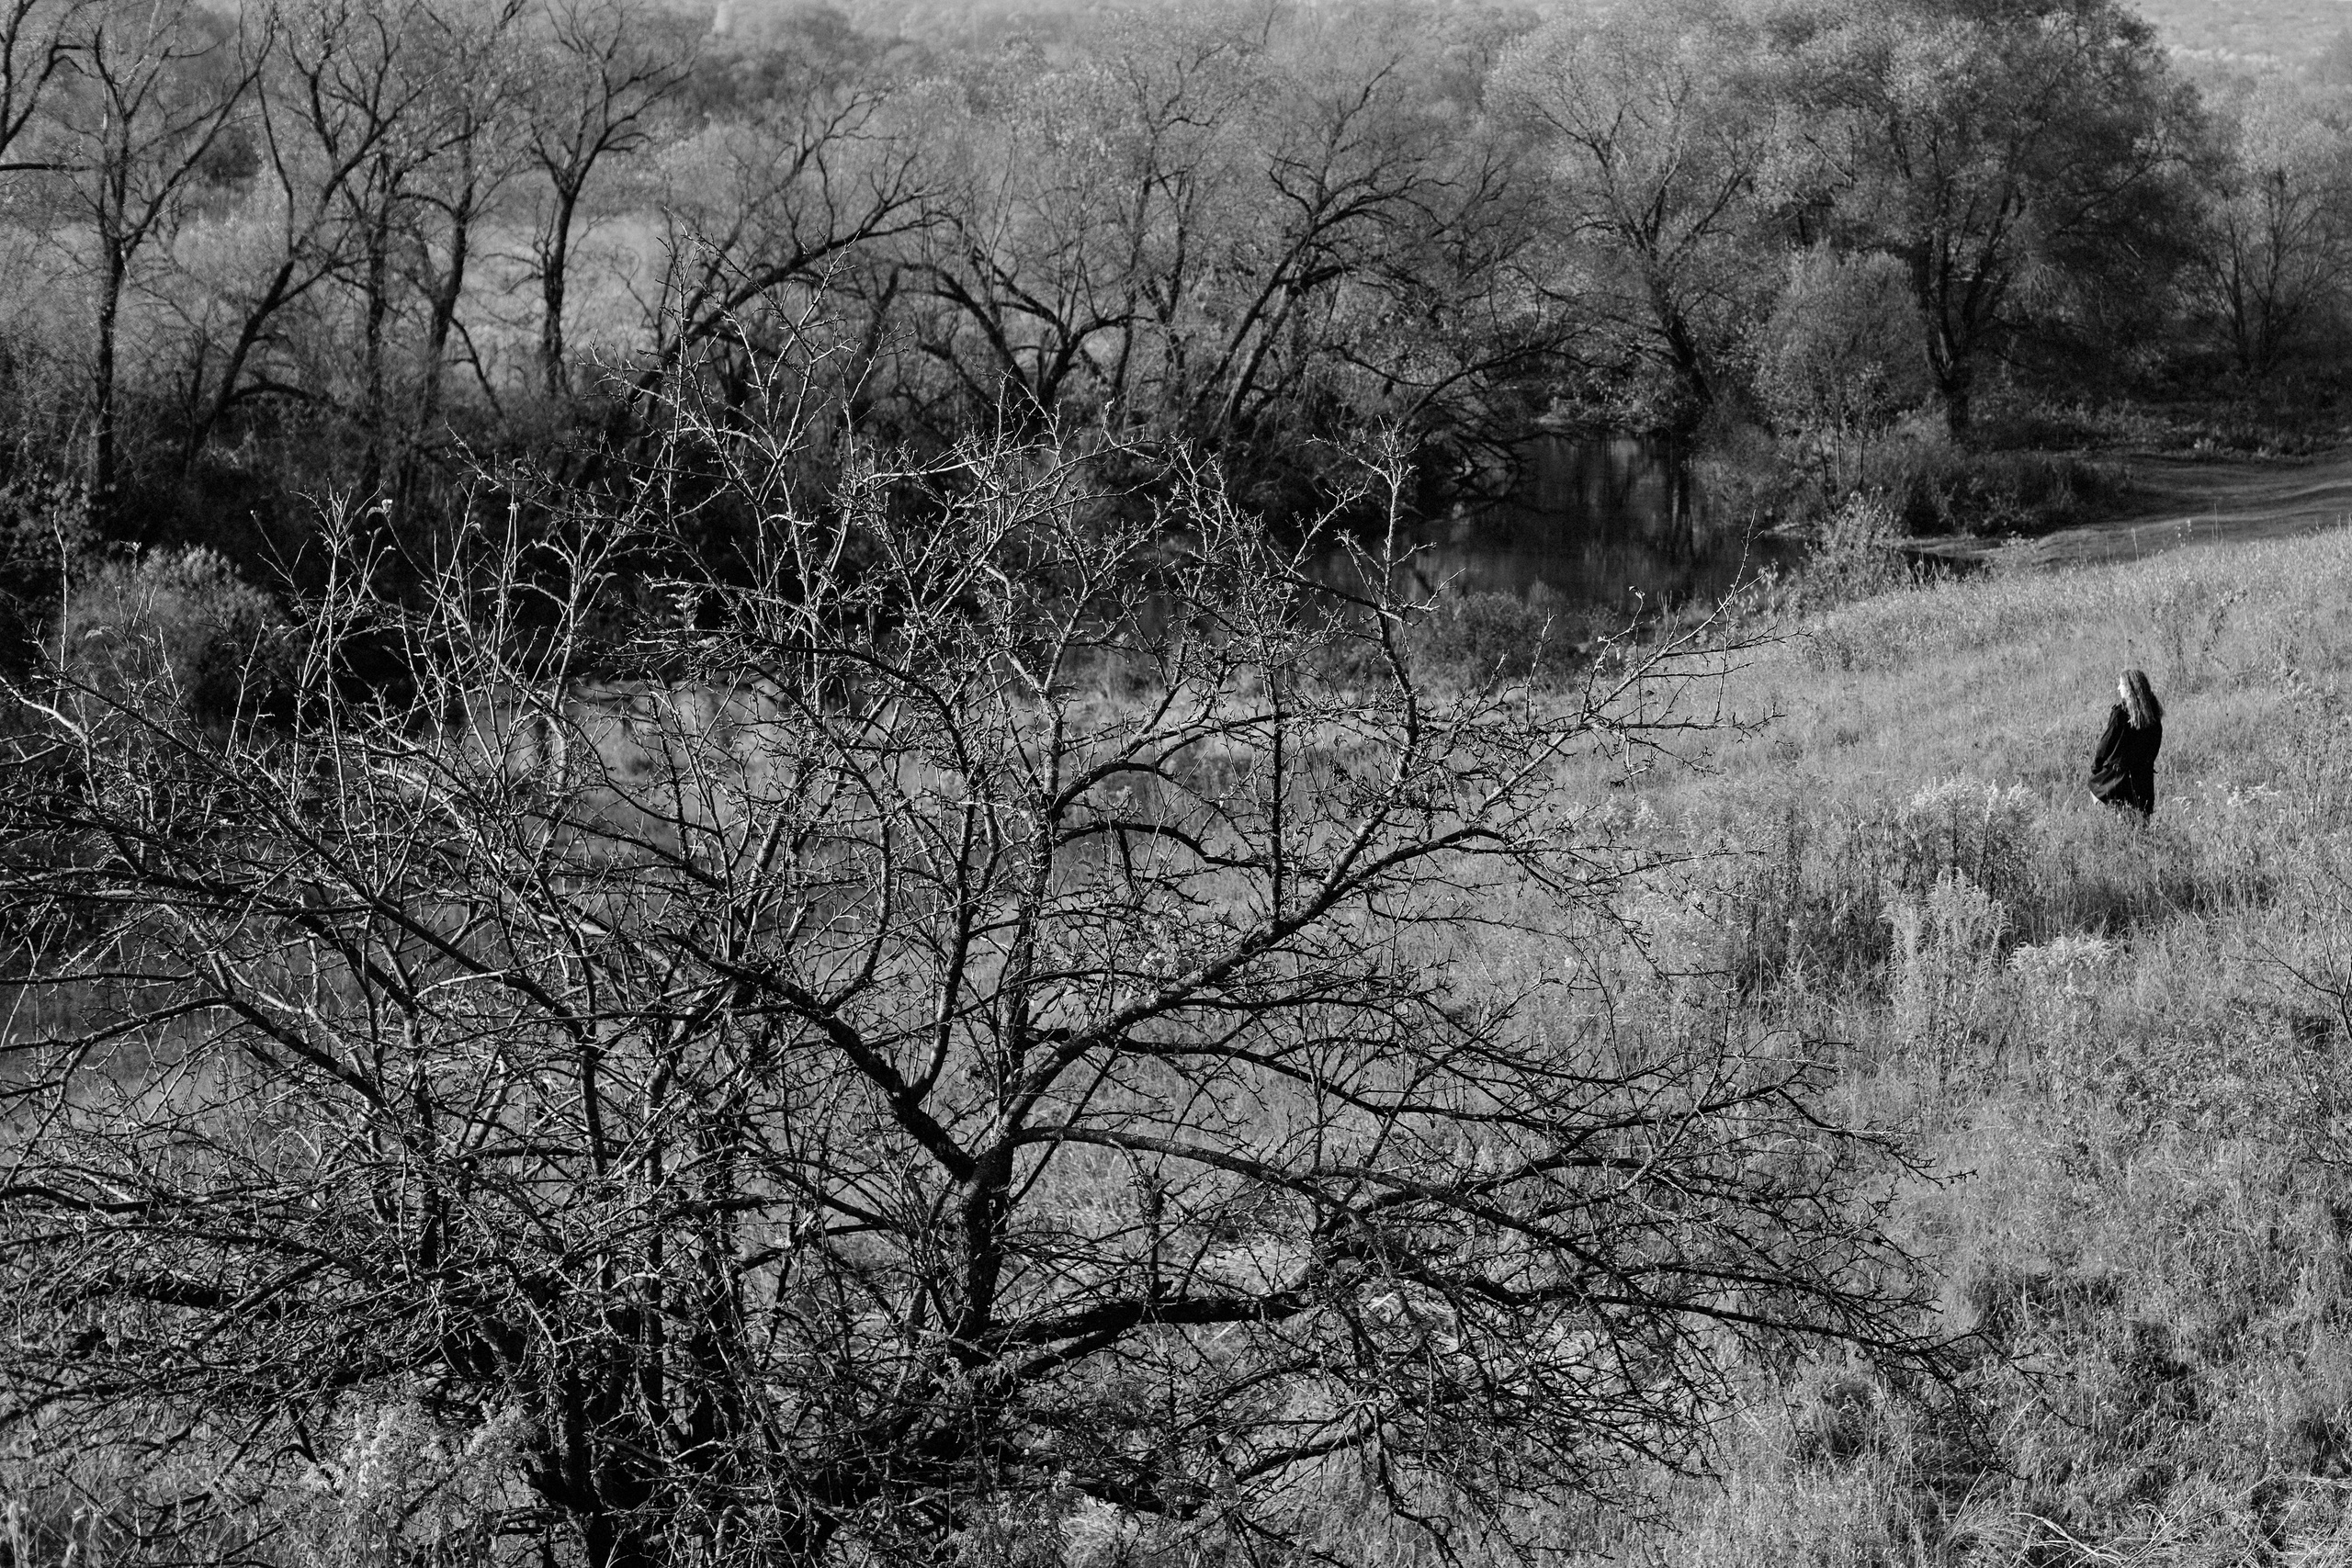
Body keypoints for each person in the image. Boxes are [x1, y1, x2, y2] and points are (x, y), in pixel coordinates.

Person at [2088, 669, 2163, 819]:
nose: (2118, 688)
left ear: (2130, 689)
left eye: (2121, 684)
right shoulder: (2155, 717)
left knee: (2096, 792)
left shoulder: (2120, 714)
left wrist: (2096, 768)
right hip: (2144, 780)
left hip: (2118, 779)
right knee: (2141, 822)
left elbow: (2105, 744)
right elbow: (2154, 750)